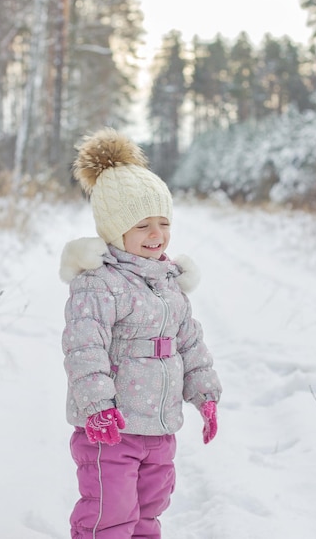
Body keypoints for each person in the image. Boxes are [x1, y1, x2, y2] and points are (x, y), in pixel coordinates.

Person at [59, 127, 222, 539]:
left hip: (160, 429)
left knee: (148, 514)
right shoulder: (99, 283)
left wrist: (205, 395)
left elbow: (190, 342)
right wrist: (98, 406)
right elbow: (84, 348)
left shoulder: (169, 281)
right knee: (109, 515)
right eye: (143, 225)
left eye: (163, 223)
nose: (157, 235)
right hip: (111, 430)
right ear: (116, 231)